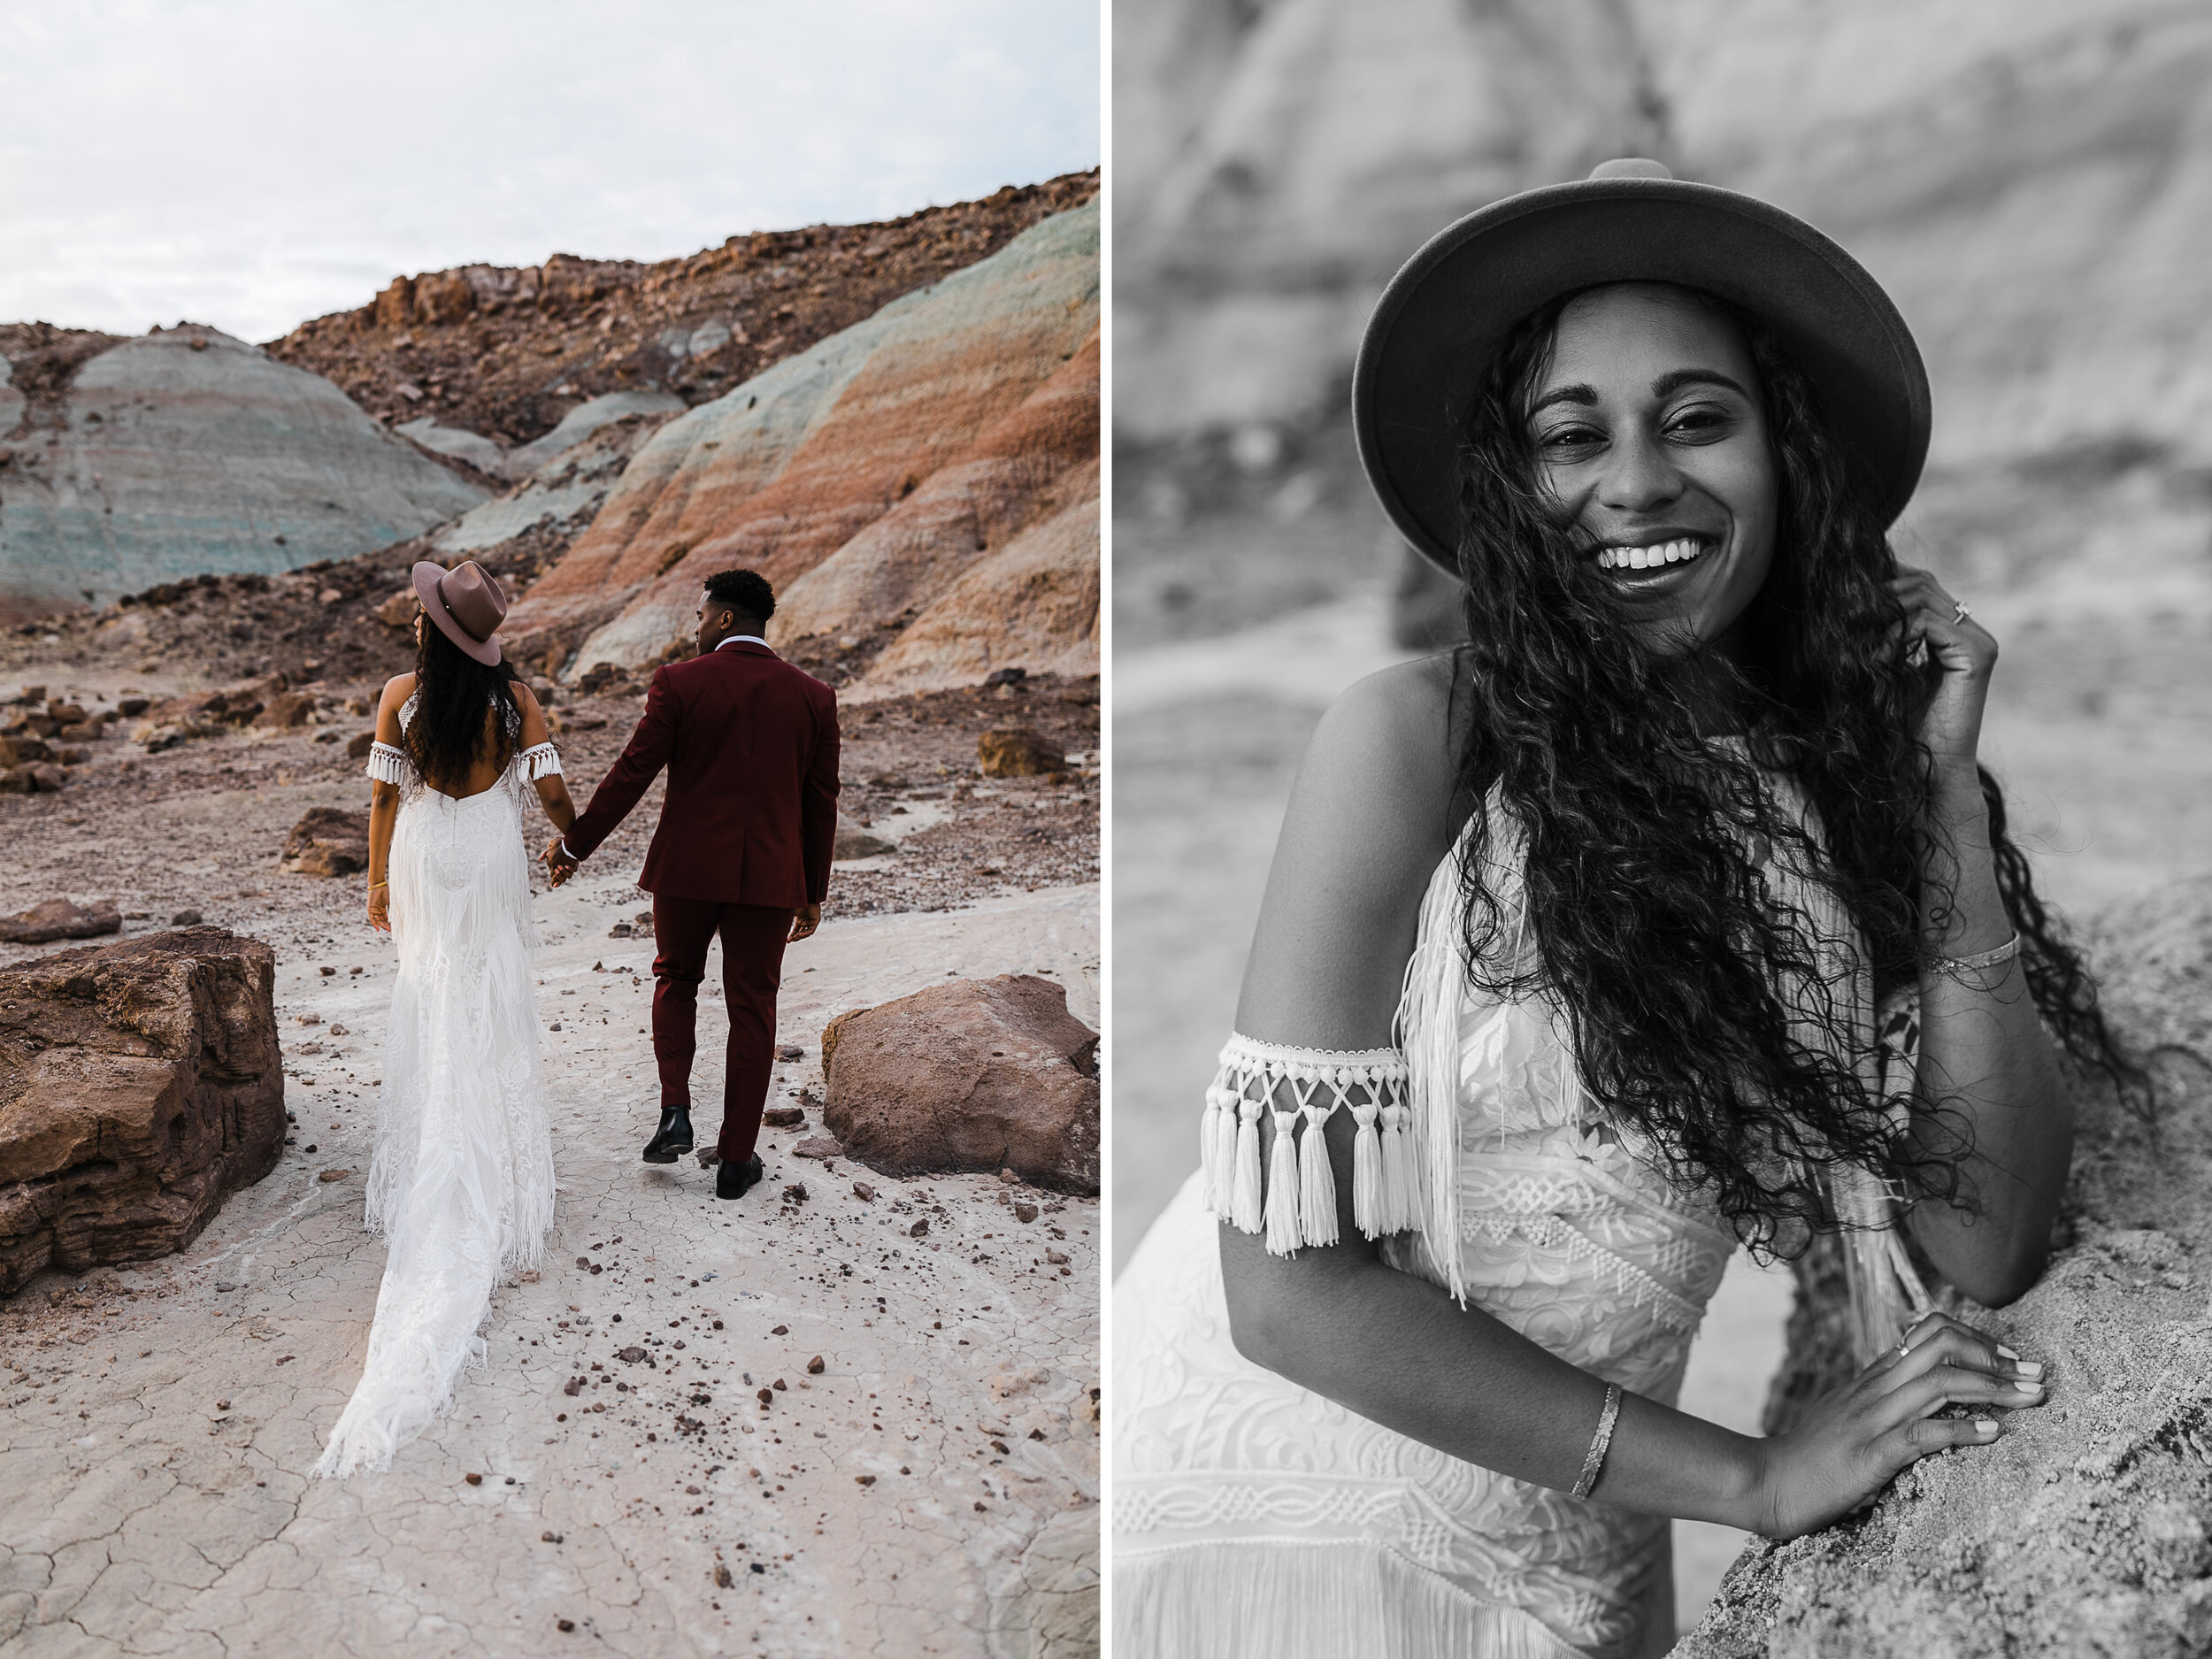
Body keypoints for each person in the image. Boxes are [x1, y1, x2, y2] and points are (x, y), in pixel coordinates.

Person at [1111, 160, 2139, 1658]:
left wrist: (1942, 809)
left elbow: (1976, 1251)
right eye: (1570, 436)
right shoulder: (1416, 743)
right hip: (1296, 1523)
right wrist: (1759, 1478)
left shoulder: (1835, 791)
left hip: (1581, 1552)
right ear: (1512, 493)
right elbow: (1288, 1299)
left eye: (1698, 418)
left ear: (1785, 454)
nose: (1640, 481)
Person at [315, 557, 574, 1478]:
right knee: (492, 1006)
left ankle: (441, 1160)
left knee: (433, 997)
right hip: (490, 852)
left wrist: (379, 879)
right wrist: (571, 841)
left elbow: (383, 798)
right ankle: (499, 1183)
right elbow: (548, 796)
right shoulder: (515, 701)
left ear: (431, 629)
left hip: (430, 852)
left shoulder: (398, 696)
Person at [544, 568, 840, 1202]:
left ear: (726, 618)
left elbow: (632, 772)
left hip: (685, 870)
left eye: (702, 615)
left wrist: (575, 844)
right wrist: (812, 887)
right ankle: (736, 1161)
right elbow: (821, 802)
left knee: (676, 979)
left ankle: (675, 1111)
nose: (697, 625)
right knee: (753, 1006)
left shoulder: (679, 682)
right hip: (770, 877)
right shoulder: (815, 696)